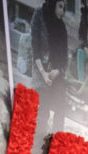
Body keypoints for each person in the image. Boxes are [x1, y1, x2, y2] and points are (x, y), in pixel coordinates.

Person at [31, 0, 68, 135]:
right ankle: (37, 145)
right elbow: (35, 49)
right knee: (43, 106)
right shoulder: (39, 15)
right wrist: (44, 73)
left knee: (61, 105)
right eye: (60, 7)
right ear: (53, 4)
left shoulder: (61, 26)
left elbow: (64, 57)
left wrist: (57, 71)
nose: (62, 11)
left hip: (56, 73)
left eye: (64, 8)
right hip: (40, 69)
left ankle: (57, 144)